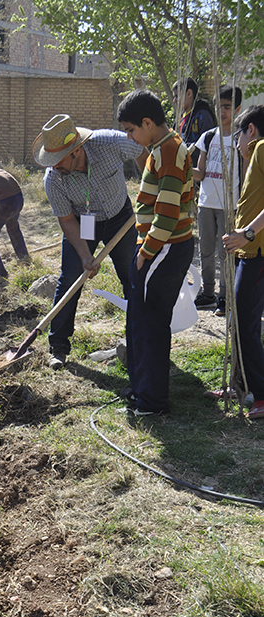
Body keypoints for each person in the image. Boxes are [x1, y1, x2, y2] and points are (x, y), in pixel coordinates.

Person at [32, 113, 148, 370]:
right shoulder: (54, 179)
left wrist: (148, 185)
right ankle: (58, 346)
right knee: (70, 277)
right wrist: (85, 256)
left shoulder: (110, 144)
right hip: (83, 222)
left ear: (76, 151)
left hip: (121, 218)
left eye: (58, 160)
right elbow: (67, 222)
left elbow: (142, 149)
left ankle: (140, 342)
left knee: (133, 276)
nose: (54, 166)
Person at [118, 89, 194, 415]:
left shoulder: (169, 151)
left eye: (132, 130)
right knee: (138, 320)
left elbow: (167, 213)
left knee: (151, 323)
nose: (130, 137)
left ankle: (152, 401)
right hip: (156, 248)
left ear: (148, 123)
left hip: (164, 249)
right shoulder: (158, 148)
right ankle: (141, 388)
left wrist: (145, 252)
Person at [222, 105, 264, 420]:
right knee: (240, 320)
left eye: (238, 133)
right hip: (248, 252)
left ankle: (260, 394)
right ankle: (240, 385)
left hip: (258, 252)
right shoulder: (254, 157)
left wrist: (247, 234)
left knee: (246, 323)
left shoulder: (262, 148)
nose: (236, 141)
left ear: (250, 129)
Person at [193, 85, 242, 316]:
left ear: (237, 109)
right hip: (205, 202)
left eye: (227, 107)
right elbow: (200, 173)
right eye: (218, 106)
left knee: (225, 252)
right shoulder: (208, 136)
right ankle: (208, 294)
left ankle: (225, 297)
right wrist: (183, 166)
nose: (222, 111)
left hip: (228, 205)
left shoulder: (241, 138)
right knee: (205, 249)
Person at [0, 166, 31, 281]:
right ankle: (25, 261)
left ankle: (1, 274)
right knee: (13, 229)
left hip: (5, 202)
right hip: (18, 198)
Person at [172, 78, 214, 159]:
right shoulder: (180, 118)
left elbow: (206, 144)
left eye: (177, 96)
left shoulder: (203, 115)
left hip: (194, 168)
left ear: (189, 93)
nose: (174, 100)